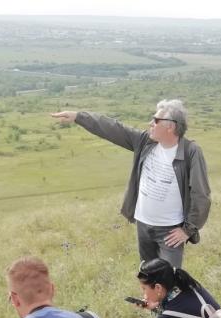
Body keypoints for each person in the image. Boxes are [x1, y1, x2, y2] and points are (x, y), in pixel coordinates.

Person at [51, 100, 210, 268]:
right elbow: (113, 128)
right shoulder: (145, 142)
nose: (150, 124)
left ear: (170, 127)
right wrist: (78, 117)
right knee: (148, 277)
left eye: (155, 121)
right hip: (143, 225)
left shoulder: (190, 152)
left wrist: (187, 230)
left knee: (170, 280)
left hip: (169, 231)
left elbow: (201, 194)